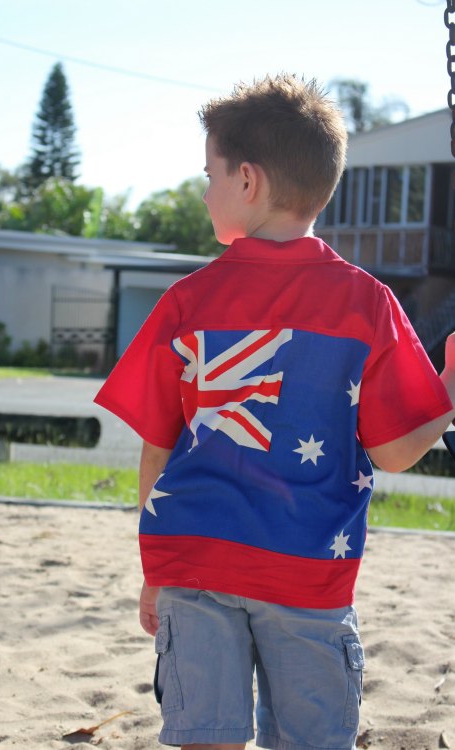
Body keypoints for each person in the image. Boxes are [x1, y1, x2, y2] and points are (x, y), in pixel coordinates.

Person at [94, 74, 455, 750]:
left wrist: (156, 568)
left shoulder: (186, 302)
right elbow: (397, 449)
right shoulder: (367, 303)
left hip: (194, 561)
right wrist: (450, 389)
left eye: (210, 174)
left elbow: (156, 448)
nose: (204, 191)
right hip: (307, 572)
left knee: (207, 739)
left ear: (249, 182)